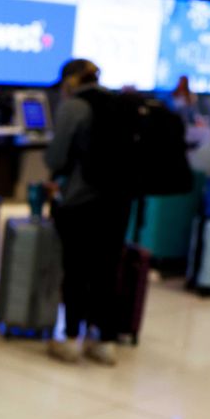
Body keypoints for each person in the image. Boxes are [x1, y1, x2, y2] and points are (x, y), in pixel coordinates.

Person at [44, 59, 134, 365]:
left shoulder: (75, 107)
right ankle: (105, 341)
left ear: (71, 79)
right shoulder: (120, 103)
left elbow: (55, 158)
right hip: (119, 201)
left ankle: (70, 338)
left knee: (77, 269)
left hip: (82, 201)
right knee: (108, 270)